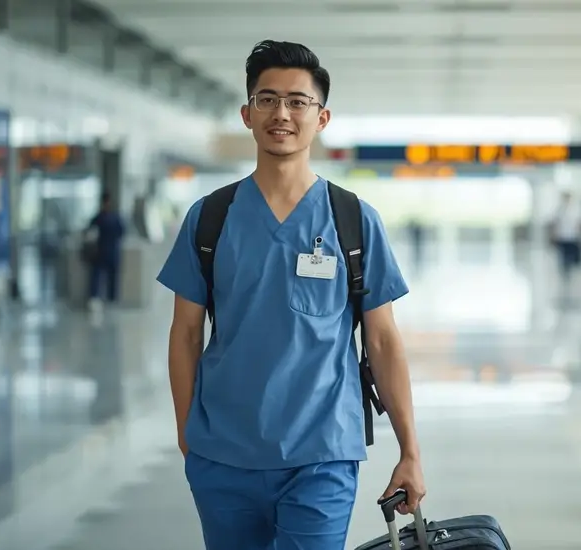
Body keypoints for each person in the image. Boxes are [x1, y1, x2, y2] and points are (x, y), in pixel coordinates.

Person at [156, 39, 425, 550]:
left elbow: (384, 341)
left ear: (321, 118)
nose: (282, 113)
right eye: (267, 99)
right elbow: (186, 333)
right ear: (247, 113)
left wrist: (410, 450)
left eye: (298, 101)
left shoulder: (353, 220)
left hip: (322, 454)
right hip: (223, 456)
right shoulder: (210, 218)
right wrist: (188, 432)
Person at [85, 192, 125, 308]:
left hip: (111, 252)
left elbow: (121, 233)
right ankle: (95, 298)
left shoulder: (113, 218)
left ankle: (111, 299)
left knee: (112, 278)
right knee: (97, 277)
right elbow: (89, 233)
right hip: (100, 252)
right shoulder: (99, 218)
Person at [549, 191, 581, 280]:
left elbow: (580, 223)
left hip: (573, 236)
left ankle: (569, 267)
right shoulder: (559, 210)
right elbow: (556, 223)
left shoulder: (576, 210)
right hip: (562, 236)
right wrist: (554, 234)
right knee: (563, 254)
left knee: (571, 254)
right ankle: (565, 268)